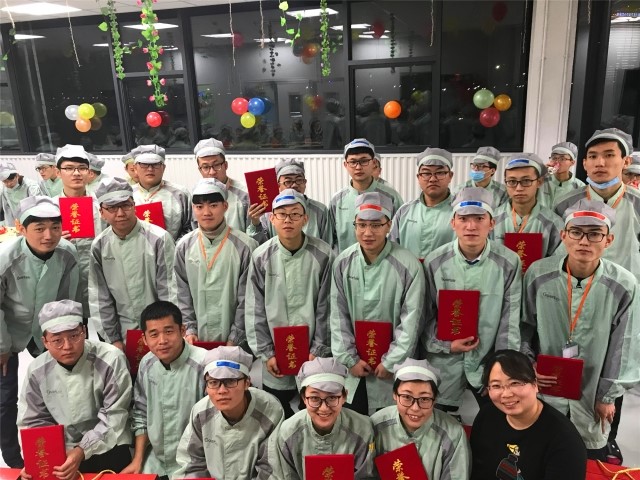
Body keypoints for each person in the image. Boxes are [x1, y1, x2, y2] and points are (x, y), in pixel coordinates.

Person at [521, 199, 640, 460]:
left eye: (595, 234)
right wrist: (528, 366)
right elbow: (523, 327)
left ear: (608, 240)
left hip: (592, 388)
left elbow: (626, 345)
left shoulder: (623, 284)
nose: (584, 241)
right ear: (563, 235)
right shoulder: (539, 275)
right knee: (541, 449)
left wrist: (607, 396)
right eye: (576, 232)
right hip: (545, 385)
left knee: (587, 455)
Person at [553, 129, 639, 463]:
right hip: (570, 296)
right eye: (593, 156)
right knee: (566, 366)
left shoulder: (637, 204)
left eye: (609, 155)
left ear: (625, 161)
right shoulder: (564, 204)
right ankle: (559, 435)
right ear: (584, 163)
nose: (600, 163)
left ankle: (607, 438)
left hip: (619, 301)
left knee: (612, 363)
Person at [422, 188, 522, 413]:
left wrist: (502, 370)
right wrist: (445, 345)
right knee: (443, 424)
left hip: (488, 364)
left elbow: (510, 322)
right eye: (463, 219)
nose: (471, 226)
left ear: (492, 223)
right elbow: (425, 316)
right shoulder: (435, 262)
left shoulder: (508, 263)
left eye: (479, 219)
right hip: (444, 363)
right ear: (453, 223)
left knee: (492, 424)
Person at [0, 196, 79, 469]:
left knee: (57, 390)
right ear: (22, 229)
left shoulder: (67, 254)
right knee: (5, 398)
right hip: (8, 329)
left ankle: (61, 451)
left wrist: (64, 339)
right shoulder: (6, 258)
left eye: (55, 227)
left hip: (48, 329)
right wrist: (2, 347)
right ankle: (13, 460)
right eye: (40, 228)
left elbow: (69, 299)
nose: (49, 235)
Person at [330, 192, 424, 414]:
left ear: (388, 225)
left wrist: (391, 361)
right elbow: (337, 315)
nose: (368, 232)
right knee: (354, 422)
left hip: (391, 369)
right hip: (354, 367)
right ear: (354, 225)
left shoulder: (408, 265)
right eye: (361, 225)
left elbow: (411, 320)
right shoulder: (343, 263)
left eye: (376, 225)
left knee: (390, 423)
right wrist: (349, 359)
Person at [17, 300, 133, 479]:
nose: (67, 346)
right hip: (62, 451)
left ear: (84, 331)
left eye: (74, 336)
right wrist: (35, 458)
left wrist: (82, 450)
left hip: (109, 446)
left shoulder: (111, 359)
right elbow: (33, 421)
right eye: (57, 340)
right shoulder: (37, 370)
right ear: (45, 342)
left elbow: (114, 416)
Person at [246, 189, 334, 418]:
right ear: (271, 218)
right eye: (282, 214)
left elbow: (327, 307)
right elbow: (254, 309)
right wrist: (267, 353)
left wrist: (318, 349)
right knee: (277, 412)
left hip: (314, 355)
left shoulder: (324, 254)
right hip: (275, 354)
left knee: (316, 410)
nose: (288, 220)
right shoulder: (261, 256)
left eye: (295, 214)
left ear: (305, 219)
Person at [470, 350, 587, 479]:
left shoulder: (565, 440)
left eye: (515, 383)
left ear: (535, 384)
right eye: (496, 385)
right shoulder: (487, 416)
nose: (506, 394)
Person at [89, 177, 177, 348]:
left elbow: (169, 291)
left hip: (160, 331)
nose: (120, 213)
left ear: (134, 206)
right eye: (112, 208)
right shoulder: (99, 245)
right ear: (101, 212)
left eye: (125, 205)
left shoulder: (158, 239)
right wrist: (113, 339)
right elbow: (100, 296)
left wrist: (165, 331)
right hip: (123, 330)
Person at [122, 301, 207, 478]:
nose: (162, 341)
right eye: (154, 334)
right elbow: (141, 413)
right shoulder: (147, 363)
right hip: (157, 459)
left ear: (182, 331)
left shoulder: (204, 363)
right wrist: (137, 459)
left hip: (197, 461)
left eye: (169, 331)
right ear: (144, 339)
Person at [173, 346, 284, 480]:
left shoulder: (270, 411)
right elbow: (191, 463)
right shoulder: (201, 412)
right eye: (213, 382)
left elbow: (270, 470)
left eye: (230, 381)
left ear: (247, 383)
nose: (222, 391)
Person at [174, 178, 257, 347]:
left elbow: (248, 299)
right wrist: (190, 329)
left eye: (213, 205)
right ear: (193, 209)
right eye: (199, 207)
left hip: (236, 343)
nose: (206, 212)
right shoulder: (183, 246)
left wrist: (235, 338)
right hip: (196, 340)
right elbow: (181, 293)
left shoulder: (245, 246)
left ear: (225, 206)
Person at [271, 357, 376, 479]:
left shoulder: (363, 430)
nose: (324, 408)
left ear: (344, 397)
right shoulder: (288, 432)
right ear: (304, 398)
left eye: (332, 398)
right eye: (314, 398)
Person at [372, 358, 470, 480]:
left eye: (424, 399)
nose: (415, 408)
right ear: (395, 395)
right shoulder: (376, 425)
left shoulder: (453, 433)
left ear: (435, 399)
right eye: (407, 397)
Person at [55, 144, 104, 322]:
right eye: (69, 168)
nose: (76, 173)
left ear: (89, 172)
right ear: (58, 172)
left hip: (100, 276)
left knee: (105, 325)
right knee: (73, 327)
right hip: (65, 278)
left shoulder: (102, 204)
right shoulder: (49, 208)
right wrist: (53, 240)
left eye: (82, 168)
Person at [329, 138, 403, 252]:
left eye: (364, 161)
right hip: (347, 262)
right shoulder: (337, 201)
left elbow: (399, 234)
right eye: (353, 162)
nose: (358, 167)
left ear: (374, 163)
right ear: (345, 165)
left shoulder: (391, 197)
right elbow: (331, 240)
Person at [389, 148, 456, 262]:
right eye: (426, 173)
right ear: (418, 177)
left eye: (440, 173)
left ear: (450, 176)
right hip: (408, 272)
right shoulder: (405, 212)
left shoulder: (460, 212)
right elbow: (392, 249)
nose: (433, 179)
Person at [492, 153, 564, 258]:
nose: (519, 188)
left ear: (539, 182)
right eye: (512, 181)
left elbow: (559, 262)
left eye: (526, 181)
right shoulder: (492, 220)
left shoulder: (553, 223)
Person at [249, 159, 333, 245]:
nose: (294, 185)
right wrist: (256, 223)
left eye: (299, 180)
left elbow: (328, 245)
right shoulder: (268, 212)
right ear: (278, 185)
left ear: (305, 183)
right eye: (288, 182)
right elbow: (260, 246)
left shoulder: (320, 210)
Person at [132, 144, 191, 240]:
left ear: (163, 167)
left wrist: (173, 246)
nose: (150, 169)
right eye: (144, 164)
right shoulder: (127, 195)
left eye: (156, 164)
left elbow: (190, 228)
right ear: (135, 168)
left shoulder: (180, 194)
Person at [194, 138, 250, 232]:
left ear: (226, 165)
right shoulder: (195, 196)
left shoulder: (245, 194)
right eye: (205, 167)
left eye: (216, 165)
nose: (212, 172)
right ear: (200, 170)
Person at [539, 141, 585, 207]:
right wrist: (539, 173)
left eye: (562, 158)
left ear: (572, 162)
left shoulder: (580, 187)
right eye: (554, 158)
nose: (557, 162)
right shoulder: (541, 181)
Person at [0, 161, 42, 227]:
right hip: (16, 223)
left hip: (32, 221)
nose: (8, 184)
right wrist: (10, 228)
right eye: (5, 182)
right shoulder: (5, 189)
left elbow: (36, 207)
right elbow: (7, 210)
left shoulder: (30, 186)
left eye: (11, 180)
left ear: (17, 176)